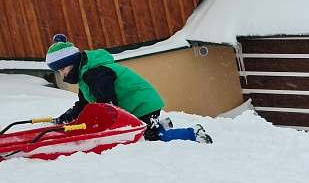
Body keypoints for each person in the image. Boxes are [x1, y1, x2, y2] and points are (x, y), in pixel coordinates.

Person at [45, 35, 211, 143]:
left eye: (62, 70)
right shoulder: (85, 75)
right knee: (144, 132)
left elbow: (108, 105)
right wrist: (64, 119)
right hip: (136, 104)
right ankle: (162, 124)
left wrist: (99, 129)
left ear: (71, 63)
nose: (62, 74)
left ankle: (193, 133)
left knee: (149, 139)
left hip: (142, 104)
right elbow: (83, 104)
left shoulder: (95, 74)